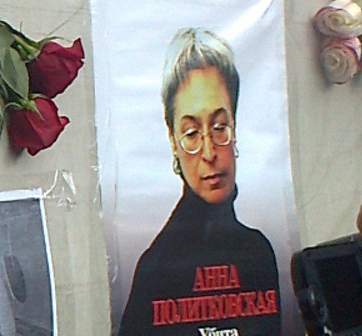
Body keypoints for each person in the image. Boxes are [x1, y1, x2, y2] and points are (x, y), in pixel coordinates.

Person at [118, 28, 281, 335]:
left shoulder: (258, 252)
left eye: (220, 127)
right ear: (173, 142)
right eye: (191, 134)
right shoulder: (157, 268)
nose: (209, 152)